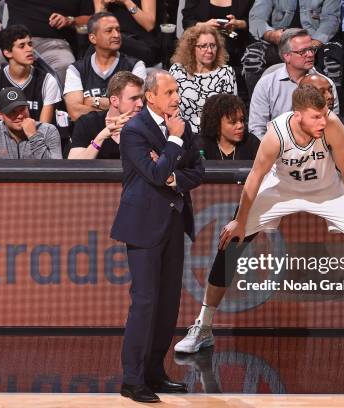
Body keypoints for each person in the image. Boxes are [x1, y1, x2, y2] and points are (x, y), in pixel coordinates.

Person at [174, 85, 344, 361]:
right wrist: (240, 222)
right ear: (298, 115)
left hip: (327, 191)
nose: (322, 121)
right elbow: (255, 177)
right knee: (231, 243)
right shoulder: (276, 134)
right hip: (281, 190)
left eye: (325, 114)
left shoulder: (332, 126)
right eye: (316, 117)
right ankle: (204, 326)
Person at [111, 69, 204, 403]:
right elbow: (152, 171)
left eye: (176, 91)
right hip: (143, 225)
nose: (176, 97)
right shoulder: (135, 130)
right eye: (169, 92)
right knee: (145, 303)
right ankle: (132, 380)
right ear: (150, 96)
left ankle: (154, 373)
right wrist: (174, 143)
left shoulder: (182, 125)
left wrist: (172, 176)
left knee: (167, 306)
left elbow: (197, 171)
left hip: (174, 223)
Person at [249, 28, 339, 139]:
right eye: (303, 51)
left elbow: (333, 124)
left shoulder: (326, 84)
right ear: (286, 56)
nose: (310, 54)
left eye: (311, 49)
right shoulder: (266, 84)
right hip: (276, 149)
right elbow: (257, 129)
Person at [0, 0, 93, 86]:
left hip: (55, 43)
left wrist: (70, 20)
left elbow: (90, 18)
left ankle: (62, 111)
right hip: (16, 41)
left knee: (65, 66)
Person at [242, 0, 341, 94]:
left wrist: (313, 44)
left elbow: (331, 20)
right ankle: (260, 105)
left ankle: (328, 109)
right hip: (281, 42)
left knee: (332, 59)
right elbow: (257, 17)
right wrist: (271, 35)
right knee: (253, 56)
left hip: (314, 41)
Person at [63, 12, 147, 122]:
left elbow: (134, 107)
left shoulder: (135, 66)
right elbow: (75, 113)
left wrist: (96, 101)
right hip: (89, 136)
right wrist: (117, 107)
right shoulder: (76, 70)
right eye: (109, 31)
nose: (116, 35)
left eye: (118, 30)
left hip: (124, 133)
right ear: (93, 38)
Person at [0, 25, 62, 127]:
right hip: (2, 141)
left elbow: (44, 131)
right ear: (7, 53)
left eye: (30, 44)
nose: (29, 49)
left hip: (36, 139)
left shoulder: (47, 81)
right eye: (22, 46)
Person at [169, 25, 237, 134]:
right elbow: (168, 104)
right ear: (192, 48)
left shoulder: (226, 72)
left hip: (214, 135)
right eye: (203, 46)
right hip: (183, 133)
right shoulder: (178, 71)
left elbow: (232, 110)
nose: (209, 50)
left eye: (213, 46)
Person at [181, 0, 254, 98]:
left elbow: (255, 21)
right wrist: (204, 26)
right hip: (202, 48)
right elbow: (187, 21)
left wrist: (239, 24)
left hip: (236, 50)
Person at [0, 87, 61, 159]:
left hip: (38, 185)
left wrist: (33, 136)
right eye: (12, 112)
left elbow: (55, 169)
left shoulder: (48, 131)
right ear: (0, 115)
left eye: (22, 109)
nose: (20, 116)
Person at [68, 71, 144, 159]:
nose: (140, 104)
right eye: (134, 98)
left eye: (141, 98)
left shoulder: (147, 125)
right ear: (114, 101)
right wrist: (101, 136)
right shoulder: (87, 123)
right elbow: (75, 166)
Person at [301, 73, 344, 159]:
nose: (330, 96)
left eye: (330, 91)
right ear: (304, 97)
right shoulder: (289, 126)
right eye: (322, 92)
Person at [94, 0, 159, 66]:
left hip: (143, 44)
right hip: (114, 44)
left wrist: (127, 2)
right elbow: (97, 26)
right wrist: (104, 6)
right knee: (96, 40)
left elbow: (149, 25)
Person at [199, 94, 260, 160]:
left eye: (241, 120)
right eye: (233, 122)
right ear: (216, 123)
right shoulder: (201, 145)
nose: (240, 126)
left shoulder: (252, 143)